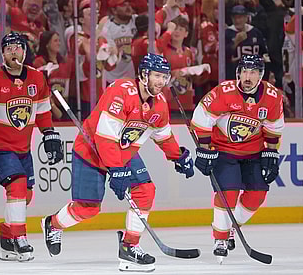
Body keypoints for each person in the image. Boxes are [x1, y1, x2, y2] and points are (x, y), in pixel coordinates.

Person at [40, 53, 194, 272]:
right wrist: (116, 169)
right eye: (157, 76)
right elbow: (104, 137)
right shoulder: (120, 92)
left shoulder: (159, 104)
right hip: (91, 152)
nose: (161, 82)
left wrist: (177, 156)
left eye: (164, 77)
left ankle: (130, 246)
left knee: (145, 190)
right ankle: (53, 224)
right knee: (88, 209)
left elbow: (163, 136)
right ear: (143, 75)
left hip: (123, 154)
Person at [0, 32, 63, 262]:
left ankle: (7, 241)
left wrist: (48, 133)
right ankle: (20, 239)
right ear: (3, 54)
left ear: (25, 51)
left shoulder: (37, 78)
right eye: (8, 48)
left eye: (17, 48)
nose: (13, 52)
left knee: (25, 194)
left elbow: (42, 111)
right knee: (17, 185)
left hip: (22, 147)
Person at [190, 54, 284, 262]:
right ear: (238, 73)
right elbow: (201, 118)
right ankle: (220, 239)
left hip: (254, 151)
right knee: (228, 193)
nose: (247, 77)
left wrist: (271, 151)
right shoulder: (224, 92)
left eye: (253, 72)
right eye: (244, 72)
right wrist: (204, 149)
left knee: (258, 194)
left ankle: (232, 226)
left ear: (261, 75)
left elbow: (274, 128)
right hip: (224, 150)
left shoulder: (272, 96)